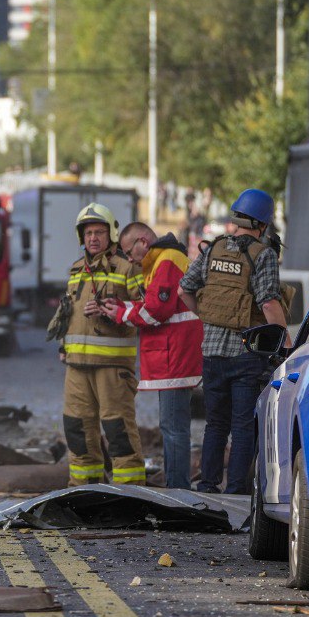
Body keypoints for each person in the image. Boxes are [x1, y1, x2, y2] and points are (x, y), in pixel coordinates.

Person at [178, 188, 290, 495]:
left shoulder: (213, 250)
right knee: (242, 426)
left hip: (212, 354)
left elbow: (184, 289)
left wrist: (208, 316)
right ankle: (236, 491)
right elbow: (269, 303)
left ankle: (208, 485)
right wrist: (285, 341)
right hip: (246, 354)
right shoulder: (263, 254)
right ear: (263, 224)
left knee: (215, 424)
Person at [101, 222, 202, 490]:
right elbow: (154, 304)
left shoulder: (166, 261)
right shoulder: (164, 260)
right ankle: (177, 487)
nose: (129, 259)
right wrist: (122, 306)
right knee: (173, 427)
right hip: (174, 355)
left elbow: (157, 310)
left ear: (143, 242)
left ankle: (178, 491)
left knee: (173, 429)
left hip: (173, 357)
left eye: (129, 252)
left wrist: (122, 313)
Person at [54, 203, 146, 487]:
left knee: (118, 431)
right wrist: (63, 346)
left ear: (111, 235)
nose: (93, 238)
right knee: (77, 429)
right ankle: (83, 490)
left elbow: (145, 311)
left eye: (99, 232)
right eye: (88, 233)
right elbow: (68, 312)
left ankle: (130, 493)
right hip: (76, 366)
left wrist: (112, 310)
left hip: (112, 367)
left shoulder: (127, 268)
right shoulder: (76, 270)